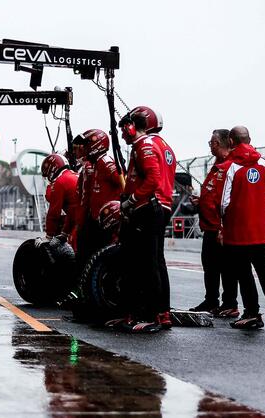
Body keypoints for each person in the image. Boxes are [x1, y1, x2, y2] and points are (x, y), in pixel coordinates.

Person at [114, 105, 175, 333]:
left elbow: (153, 179)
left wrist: (131, 200)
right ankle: (161, 314)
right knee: (155, 262)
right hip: (160, 206)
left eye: (123, 130)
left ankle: (151, 315)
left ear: (132, 127)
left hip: (148, 207)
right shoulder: (163, 145)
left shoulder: (145, 145)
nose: (122, 135)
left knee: (144, 264)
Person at [220, 126, 265, 330]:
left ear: (231, 142)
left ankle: (252, 313)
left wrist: (223, 224)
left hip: (238, 231)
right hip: (260, 230)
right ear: (250, 139)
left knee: (244, 272)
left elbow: (224, 202)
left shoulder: (230, 167)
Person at [188, 129, 240, 317]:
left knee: (227, 268)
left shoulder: (230, 167)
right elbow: (213, 196)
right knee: (210, 267)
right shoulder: (216, 166)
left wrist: (223, 227)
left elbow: (228, 200)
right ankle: (211, 300)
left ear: (218, 144)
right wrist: (200, 201)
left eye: (211, 143)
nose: (210, 145)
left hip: (221, 229)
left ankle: (229, 303)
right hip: (209, 227)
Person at [72, 129, 125, 264]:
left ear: (96, 145)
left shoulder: (106, 163)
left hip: (108, 221)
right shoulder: (96, 164)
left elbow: (124, 184)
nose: (85, 148)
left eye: (87, 144)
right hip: (98, 219)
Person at [40, 153, 79, 245]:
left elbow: (54, 212)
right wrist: (65, 233)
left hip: (82, 223)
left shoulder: (60, 182)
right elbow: (73, 209)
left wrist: (48, 236)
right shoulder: (75, 174)